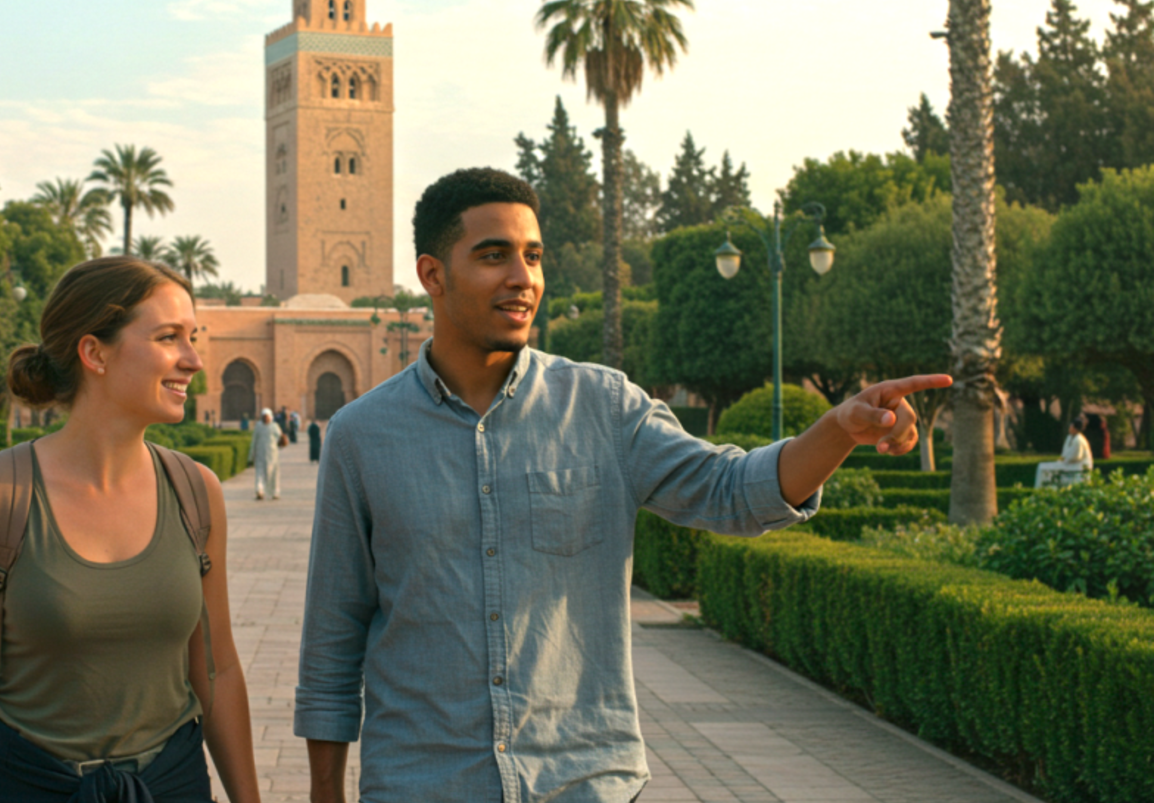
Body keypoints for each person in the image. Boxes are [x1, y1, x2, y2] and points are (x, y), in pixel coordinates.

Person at [293, 168, 951, 803]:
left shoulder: (602, 407)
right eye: (494, 256)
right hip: (422, 786)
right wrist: (326, 791)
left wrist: (837, 429)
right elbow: (333, 636)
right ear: (432, 274)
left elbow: (728, 490)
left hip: (583, 782)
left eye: (534, 256)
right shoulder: (362, 437)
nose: (523, 279)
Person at [0, 256, 261, 803]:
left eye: (193, 337)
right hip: (25, 786)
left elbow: (216, 672)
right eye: (169, 337)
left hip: (170, 786)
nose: (193, 360)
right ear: (94, 352)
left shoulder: (196, 493)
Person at [1036, 415, 1094, 488]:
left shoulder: (1079, 439)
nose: (1069, 428)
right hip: (1070, 465)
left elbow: (1076, 457)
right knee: (1042, 466)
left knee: (1044, 468)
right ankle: (1044, 488)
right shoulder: (1069, 437)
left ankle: (1044, 488)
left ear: (1075, 428)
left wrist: (1062, 462)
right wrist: (1061, 461)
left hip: (1078, 467)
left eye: (1071, 426)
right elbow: (1064, 454)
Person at [251, 408, 283, 501]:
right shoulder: (258, 426)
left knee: (274, 474)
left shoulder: (274, 426)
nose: (265, 419)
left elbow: (281, 438)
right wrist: (251, 456)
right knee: (259, 473)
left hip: (273, 455)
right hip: (260, 454)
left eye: (267, 417)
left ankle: (275, 492)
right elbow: (254, 441)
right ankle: (259, 491)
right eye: (264, 417)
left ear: (270, 417)